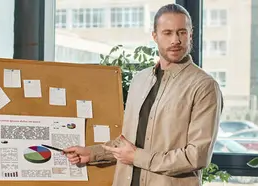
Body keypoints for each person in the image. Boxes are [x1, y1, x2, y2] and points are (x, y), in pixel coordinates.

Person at [62, 3, 223, 186]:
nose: (175, 40)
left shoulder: (204, 86)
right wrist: (92, 153)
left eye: (182, 32)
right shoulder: (140, 80)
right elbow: (129, 140)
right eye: (167, 33)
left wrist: (137, 157)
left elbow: (197, 156)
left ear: (190, 34)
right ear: (155, 36)